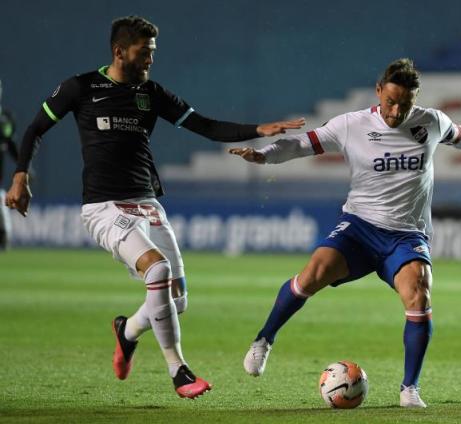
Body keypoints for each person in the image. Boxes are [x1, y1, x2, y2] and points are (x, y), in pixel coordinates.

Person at [5, 16, 304, 399]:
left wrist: (258, 129)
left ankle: (126, 331)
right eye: (144, 52)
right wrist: (19, 176)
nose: (150, 59)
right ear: (119, 52)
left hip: (146, 202)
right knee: (157, 269)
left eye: (153, 52)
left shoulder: (152, 93)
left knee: (175, 300)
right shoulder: (80, 87)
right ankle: (178, 370)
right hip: (103, 205)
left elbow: (205, 126)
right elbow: (34, 130)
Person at [230, 58, 461, 408]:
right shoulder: (351, 125)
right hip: (360, 228)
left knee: (419, 295)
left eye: (404, 104)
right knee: (312, 274)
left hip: (407, 235)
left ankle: (410, 389)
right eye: (390, 101)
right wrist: (264, 156)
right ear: (379, 91)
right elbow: (304, 144)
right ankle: (263, 340)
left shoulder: (431, 121)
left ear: (415, 100)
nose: (396, 111)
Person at [0, 79, 19, 251]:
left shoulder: (3, 120)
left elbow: (11, 144)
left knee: (1, 203)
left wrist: (23, 167)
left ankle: (5, 238)